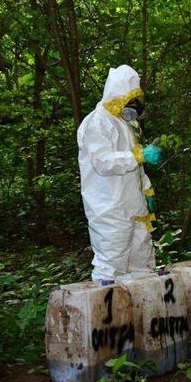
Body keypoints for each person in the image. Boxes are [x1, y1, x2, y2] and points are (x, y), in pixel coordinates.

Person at [77, 65, 162, 282]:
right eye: (129, 99)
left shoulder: (126, 123)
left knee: (142, 263)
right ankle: (107, 314)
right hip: (109, 208)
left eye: (135, 99)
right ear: (116, 95)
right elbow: (103, 162)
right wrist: (139, 155)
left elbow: (136, 166)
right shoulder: (96, 123)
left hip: (134, 205)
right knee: (111, 267)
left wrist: (146, 189)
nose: (133, 105)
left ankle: (143, 312)